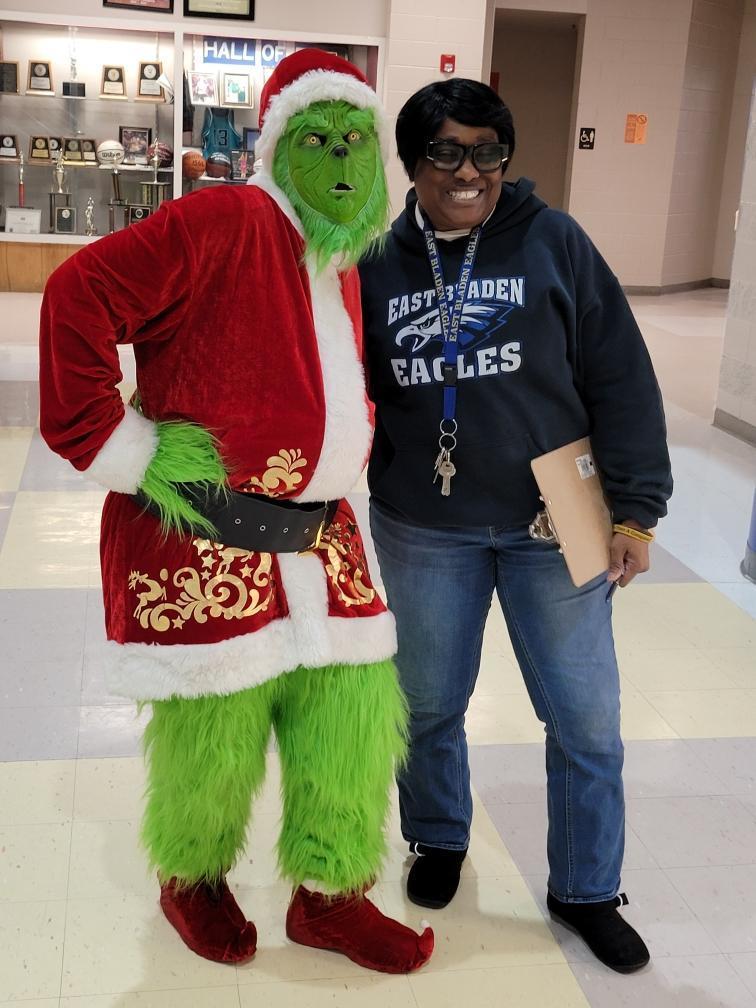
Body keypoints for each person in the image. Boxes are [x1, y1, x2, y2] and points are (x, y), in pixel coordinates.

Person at [39, 49, 433, 974]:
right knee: (215, 725)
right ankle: (194, 878)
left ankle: (333, 894)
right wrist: (117, 446)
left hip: (324, 535)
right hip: (205, 534)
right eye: (317, 141)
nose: (341, 163)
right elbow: (77, 293)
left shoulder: (343, 253)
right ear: (276, 148)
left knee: (353, 716)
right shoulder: (220, 219)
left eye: (355, 143)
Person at [358, 78, 672, 974]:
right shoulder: (378, 260)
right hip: (425, 525)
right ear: (412, 163)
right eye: (444, 153)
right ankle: (439, 837)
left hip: (550, 525)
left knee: (586, 720)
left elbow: (621, 375)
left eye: (487, 151)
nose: (468, 171)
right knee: (425, 707)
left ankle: (585, 887)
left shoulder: (553, 242)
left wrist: (637, 510)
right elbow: (332, 378)